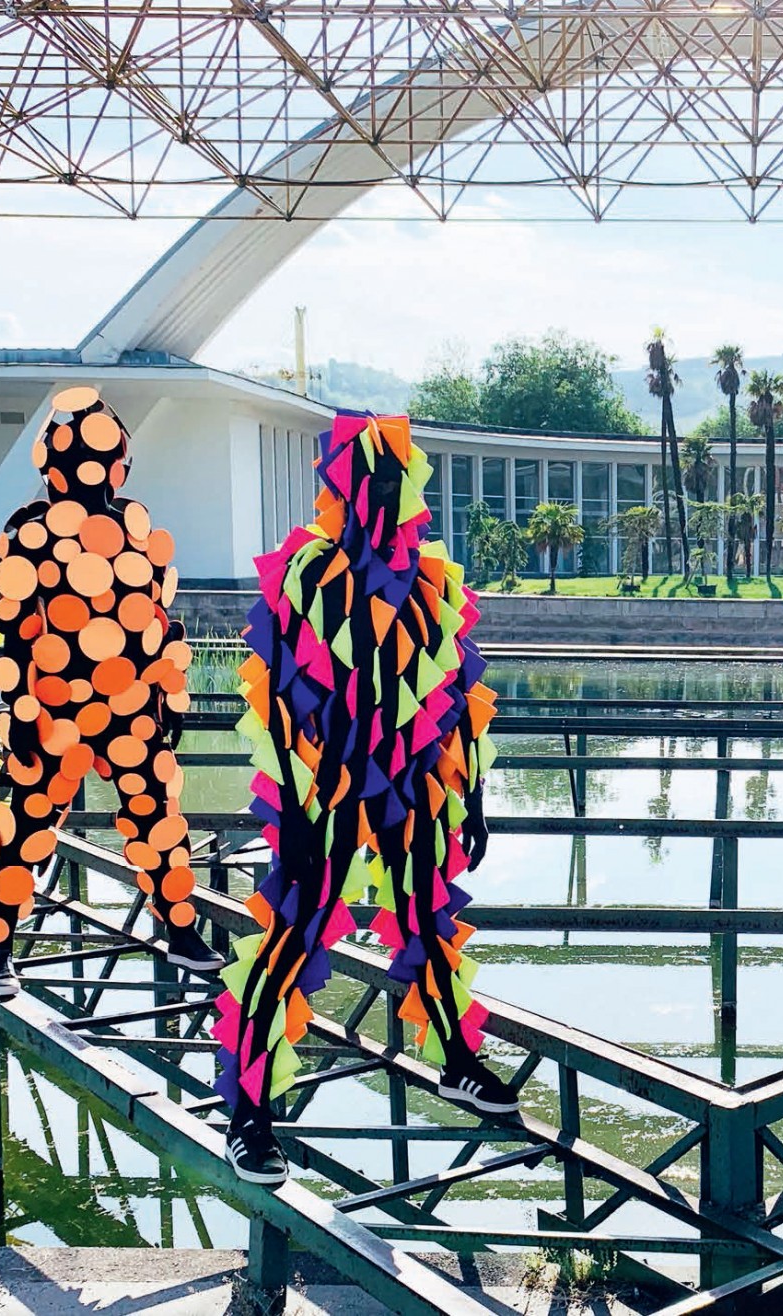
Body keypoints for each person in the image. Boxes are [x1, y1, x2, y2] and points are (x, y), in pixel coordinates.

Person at [214, 411, 509, 1187]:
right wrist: (293, 804)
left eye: (392, 484)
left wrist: (473, 795)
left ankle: (457, 1058)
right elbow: (276, 696)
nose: (380, 497)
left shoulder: (434, 582)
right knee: (293, 934)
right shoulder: (308, 574)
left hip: (411, 781)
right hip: (328, 788)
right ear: (339, 487)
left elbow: (459, 692)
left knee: (427, 922)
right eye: (366, 483)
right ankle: (248, 1112)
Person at [0, 386, 221, 999]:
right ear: (54, 463)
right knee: (26, 823)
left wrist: (169, 692)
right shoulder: (30, 531)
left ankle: (180, 931)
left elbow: (155, 619)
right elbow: (15, 630)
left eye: (105, 457)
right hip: (54, 708)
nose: (98, 468)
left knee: (157, 818)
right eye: (80, 455)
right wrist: (20, 709)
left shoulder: (137, 528)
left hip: (131, 707)